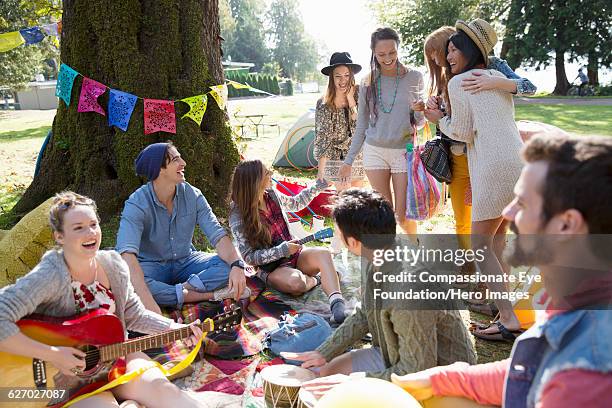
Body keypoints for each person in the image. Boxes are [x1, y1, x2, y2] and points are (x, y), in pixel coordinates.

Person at [392, 135, 612, 408]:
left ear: (566, 226)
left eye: (522, 203)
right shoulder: (583, 301)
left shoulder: (584, 377)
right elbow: (531, 372)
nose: (508, 212)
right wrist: (442, 379)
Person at [0, 192, 206, 407]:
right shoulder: (51, 274)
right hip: (64, 382)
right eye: (78, 227)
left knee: (177, 400)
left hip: (118, 358)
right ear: (59, 236)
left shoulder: (113, 265)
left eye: (93, 224)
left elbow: (134, 315)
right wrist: (53, 354)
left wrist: (172, 327)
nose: (90, 233)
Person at [282, 189, 476, 384]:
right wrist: (324, 352)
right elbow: (364, 313)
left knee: (339, 390)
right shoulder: (380, 251)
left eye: (338, 231)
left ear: (353, 242)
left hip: (441, 377)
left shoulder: (409, 292)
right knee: (323, 373)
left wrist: (354, 382)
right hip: (396, 354)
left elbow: (416, 372)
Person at [424, 19, 524, 341]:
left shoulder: (458, 83)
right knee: (497, 240)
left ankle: (507, 319)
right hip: (518, 162)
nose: (449, 55)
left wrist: (440, 119)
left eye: (453, 49)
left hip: (492, 166)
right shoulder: (496, 76)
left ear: (468, 50)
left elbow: (463, 132)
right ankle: (500, 307)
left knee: (481, 245)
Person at [419, 23, 537, 257]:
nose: (438, 58)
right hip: (467, 156)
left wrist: (498, 82)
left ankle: (485, 278)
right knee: (473, 225)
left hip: (485, 157)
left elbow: (529, 87)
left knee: (485, 236)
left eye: (440, 51)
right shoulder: (450, 76)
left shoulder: (492, 67)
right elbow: (463, 114)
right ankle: (480, 276)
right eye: (433, 55)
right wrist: (438, 106)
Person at [116, 142, 248, 314]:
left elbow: (217, 234)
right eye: (176, 159)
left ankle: (179, 291)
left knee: (226, 265)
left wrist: (237, 265)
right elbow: (127, 255)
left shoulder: (193, 195)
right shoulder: (137, 203)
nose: (183, 163)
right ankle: (203, 295)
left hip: (187, 261)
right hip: (152, 266)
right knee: (130, 282)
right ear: (159, 169)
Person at [228, 159, 347, 323]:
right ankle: (318, 280)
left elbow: (296, 203)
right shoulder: (237, 215)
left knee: (324, 254)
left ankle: (337, 305)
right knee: (296, 283)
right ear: (255, 181)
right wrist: (281, 251)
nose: (271, 174)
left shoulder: (271, 195)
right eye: (266, 172)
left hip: (295, 255)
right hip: (271, 268)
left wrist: (321, 184)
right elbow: (249, 257)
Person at [339, 28, 425, 235]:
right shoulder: (368, 81)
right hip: (374, 152)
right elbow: (361, 126)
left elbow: (420, 123)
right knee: (385, 216)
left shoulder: (414, 77)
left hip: (403, 153)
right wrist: (348, 161)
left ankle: (416, 249)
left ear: (398, 49)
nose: (388, 58)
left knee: (403, 216)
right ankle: (392, 259)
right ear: (373, 53)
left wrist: (419, 112)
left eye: (392, 52)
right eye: (381, 54)